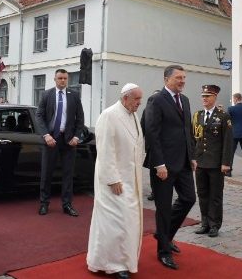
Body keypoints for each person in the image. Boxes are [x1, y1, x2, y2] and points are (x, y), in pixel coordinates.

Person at [87, 84, 144, 279]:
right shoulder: (109, 115)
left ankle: (126, 260)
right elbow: (104, 150)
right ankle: (114, 264)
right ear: (126, 98)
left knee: (128, 222)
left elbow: (138, 144)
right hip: (114, 182)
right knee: (115, 223)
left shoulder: (133, 115)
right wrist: (112, 179)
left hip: (131, 178)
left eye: (140, 99)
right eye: (136, 99)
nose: (139, 103)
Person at [143, 65, 196, 270]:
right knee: (163, 209)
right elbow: (152, 134)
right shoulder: (156, 100)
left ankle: (164, 235)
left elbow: (187, 130)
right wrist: (159, 164)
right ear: (166, 79)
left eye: (184, 77)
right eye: (178, 78)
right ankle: (163, 251)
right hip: (163, 165)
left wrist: (191, 156)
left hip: (183, 163)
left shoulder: (185, 100)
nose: (182, 81)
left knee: (189, 198)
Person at [34, 69, 85, 217]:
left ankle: (67, 205)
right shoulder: (47, 95)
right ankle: (44, 203)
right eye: (60, 78)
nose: (63, 81)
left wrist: (77, 136)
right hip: (51, 139)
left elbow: (80, 119)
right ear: (54, 79)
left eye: (65, 78)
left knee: (68, 175)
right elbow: (39, 116)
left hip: (68, 141)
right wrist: (46, 135)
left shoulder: (74, 96)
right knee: (46, 174)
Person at [192, 85, 232, 238]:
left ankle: (214, 225)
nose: (204, 99)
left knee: (215, 196)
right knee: (202, 194)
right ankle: (204, 223)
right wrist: (193, 158)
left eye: (208, 96)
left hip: (216, 164)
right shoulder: (198, 115)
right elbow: (193, 139)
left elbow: (228, 141)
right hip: (200, 163)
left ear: (215, 97)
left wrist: (226, 163)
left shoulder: (223, 116)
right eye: (203, 96)